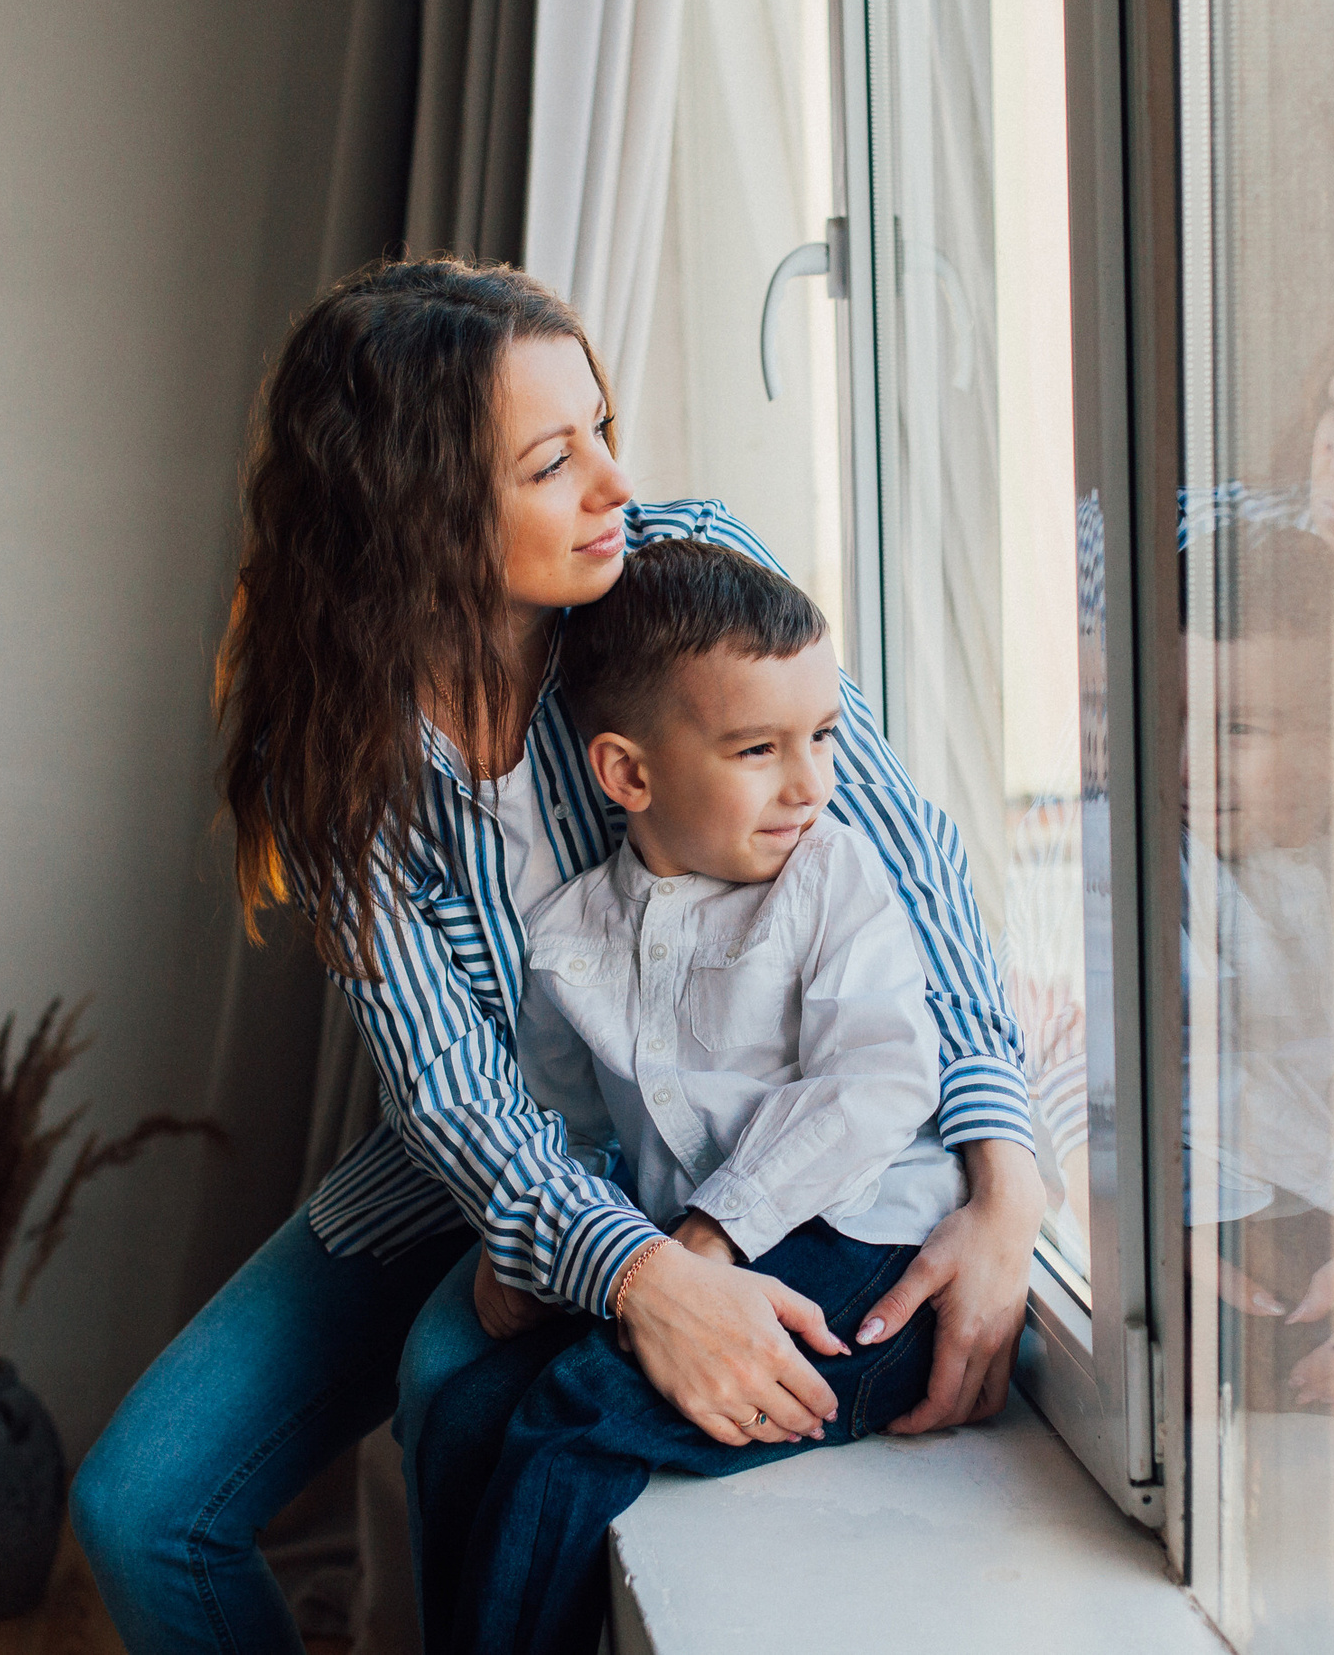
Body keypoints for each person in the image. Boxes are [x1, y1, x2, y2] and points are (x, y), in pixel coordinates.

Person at [69, 258, 1044, 1655]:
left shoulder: (675, 573)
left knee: (449, 1379)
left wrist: (1004, 1182)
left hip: (735, 1132)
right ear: (415, 510)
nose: (611, 486)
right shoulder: (335, 742)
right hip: (475, 1167)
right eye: (550, 460)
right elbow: (456, 1098)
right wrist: (647, 1276)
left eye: (601, 429)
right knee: (138, 1505)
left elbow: (903, 861)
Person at [411, 538, 960, 1655]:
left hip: (862, 1255)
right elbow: (560, 1123)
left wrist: (711, 1233)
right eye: (759, 749)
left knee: (573, 1424)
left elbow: (881, 1078)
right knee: (464, 1410)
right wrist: (526, 1249)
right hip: (694, 1259)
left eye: (822, 738)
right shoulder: (569, 939)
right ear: (627, 775)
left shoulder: (832, 874)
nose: (808, 782)